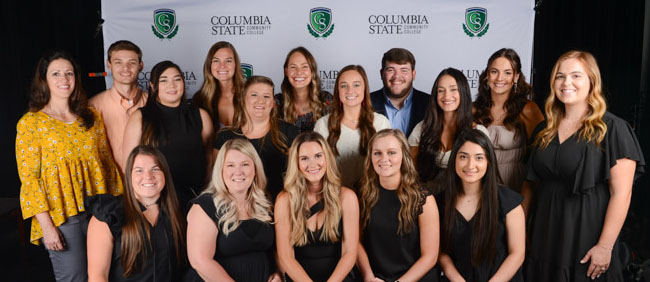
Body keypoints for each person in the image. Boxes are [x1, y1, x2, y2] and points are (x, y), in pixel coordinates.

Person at [523, 50, 645, 281]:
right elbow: (530, 186)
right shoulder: (543, 130)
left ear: (592, 81)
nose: (566, 82)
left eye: (576, 76)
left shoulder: (612, 129)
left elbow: (622, 194)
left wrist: (605, 246)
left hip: (586, 234)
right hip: (544, 232)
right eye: (560, 76)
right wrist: (521, 234)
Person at [15, 49, 122, 281]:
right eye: (56, 74)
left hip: (99, 212)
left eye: (69, 73)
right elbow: (30, 179)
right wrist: (47, 226)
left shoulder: (90, 117)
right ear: (44, 80)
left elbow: (106, 162)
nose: (64, 79)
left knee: (104, 275)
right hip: (62, 216)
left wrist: (119, 210)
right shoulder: (31, 123)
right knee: (74, 277)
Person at [123, 61, 213, 210]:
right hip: (156, 201)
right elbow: (128, 163)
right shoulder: (140, 117)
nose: (172, 85)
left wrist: (205, 193)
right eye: (163, 80)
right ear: (152, 86)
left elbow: (209, 159)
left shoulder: (200, 115)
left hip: (195, 197)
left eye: (177, 79)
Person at [87, 146, 186, 282]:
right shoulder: (108, 215)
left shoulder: (180, 210)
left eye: (155, 169)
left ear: (165, 174)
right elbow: (97, 277)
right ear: (129, 176)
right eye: (139, 170)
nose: (148, 176)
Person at [186, 139, 280, 282]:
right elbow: (200, 262)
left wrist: (278, 273)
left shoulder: (265, 204)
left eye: (245, 164)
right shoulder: (205, 206)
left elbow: (274, 250)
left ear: (255, 168)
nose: (238, 172)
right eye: (230, 165)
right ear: (221, 170)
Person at [437, 129, 525, 282]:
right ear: (454, 160)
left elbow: (517, 254)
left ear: (488, 162)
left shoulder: (509, 202)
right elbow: (441, 252)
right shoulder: (440, 202)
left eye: (479, 158)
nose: (470, 165)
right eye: (463, 157)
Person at [275, 131, 359, 281]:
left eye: (318, 156)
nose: (312, 164)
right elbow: (286, 257)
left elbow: (350, 253)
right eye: (304, 158)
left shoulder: (347, 197)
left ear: (327, 158)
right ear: (296, 163)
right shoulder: (284, 200)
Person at [357, 129, 439, 281]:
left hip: (414, 278)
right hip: (376, 278)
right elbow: (356, 243)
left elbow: (430, 256)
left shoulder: (423, 200)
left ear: (403, 156)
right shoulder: (362, 195)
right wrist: (369, 277)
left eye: (392, 152)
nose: (384, 159)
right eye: (377, 153)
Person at [213, 76, 299, 201]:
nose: (260, 101)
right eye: (254, 95)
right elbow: (217, 180)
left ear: (273, 103)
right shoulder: (224, 136)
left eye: (266, 96)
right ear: (243, 99)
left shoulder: (289, 132)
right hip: (237, 207)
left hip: (280, 205)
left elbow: (297, 178)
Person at [473, 48, 544, 192]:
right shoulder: (474, 110)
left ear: (516, 77)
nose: (500, 78)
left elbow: (539, 157)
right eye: (494, 72)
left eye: (507, 73)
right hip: (480, 185)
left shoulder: (528, 109)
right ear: (487, 75)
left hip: (515, 186)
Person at [409, 68, 489, 194]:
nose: (447, 96)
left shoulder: (478, 131)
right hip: (426, 197)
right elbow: (411, 172)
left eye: (453, 89)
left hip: (462, 197)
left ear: (463, 92)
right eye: (441, 91)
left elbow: (484, 176)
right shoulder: (423, 128)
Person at [314, 65, 391, 189]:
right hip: (334, 196)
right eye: (344, 86)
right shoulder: (322, 125)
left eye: (356, 85)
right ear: (337, 90)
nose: (350, 91)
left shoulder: (381, 123)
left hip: (372, 195)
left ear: (364, 88)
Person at [89, 40, 147, 169]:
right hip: (111, 184)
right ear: (109, 65)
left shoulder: (153, 103)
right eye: (118, 62)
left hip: (146, 181)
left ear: (141, 65)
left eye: (132, 63)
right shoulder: (93, 106)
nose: (125, 68)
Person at [370, 48, 429, 137]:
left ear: (413, 75)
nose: (397, 76)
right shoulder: (365, 103)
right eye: (391, 70)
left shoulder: (430, 104)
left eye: (404, 70)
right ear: (382, 73)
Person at [275, 46, 332, 131]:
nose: (299, 72)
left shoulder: (326, 99)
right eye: (293, 67)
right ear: (286, 71)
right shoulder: (277, 102)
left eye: (304, 66)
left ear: (312, 71)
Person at [193, 41, 245, 131]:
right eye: (216, 61)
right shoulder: (200, 99)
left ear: (235, 65)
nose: (222, 66)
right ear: (209, 65)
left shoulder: (248, 94)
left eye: (228, 61)